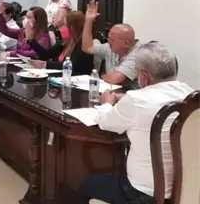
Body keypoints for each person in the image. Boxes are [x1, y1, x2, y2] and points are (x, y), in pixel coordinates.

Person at [78, 42, 193, 204]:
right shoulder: (191, 96)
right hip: (184, 190)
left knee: (85, 185)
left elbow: (105, 122)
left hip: (143, 193)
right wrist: (126, 100)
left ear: (144, 77)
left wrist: (106, 103)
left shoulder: (136, 101)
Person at [82, 0, 141, 88]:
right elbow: (87, 48)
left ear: (125, 43)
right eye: (108, 38)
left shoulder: (139, 55)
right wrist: (88, 21)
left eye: (112, 39)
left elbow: (115, 79)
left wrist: (102, 75)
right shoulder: (109, 47)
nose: (108, 42)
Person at [28, 11, 93, 75]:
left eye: (65, 25)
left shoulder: (84, 44)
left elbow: (73, 65)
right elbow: (46, 54)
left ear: (73, 27)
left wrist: (45, 64)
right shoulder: (65, 42)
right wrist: (31, 40)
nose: (61, 28)